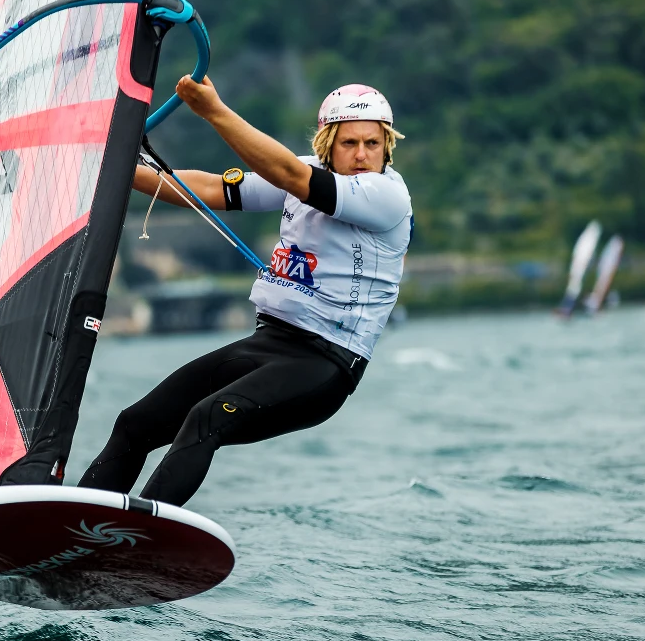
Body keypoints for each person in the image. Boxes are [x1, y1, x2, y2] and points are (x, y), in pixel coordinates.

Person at [78, 78, 412, 506]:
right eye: (350, 143)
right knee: (135, 423)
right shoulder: (304, 172)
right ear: (328, 144)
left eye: (372, 143)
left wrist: (213, 110)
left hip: (325, 364)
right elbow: (210, 189)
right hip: (269, 343)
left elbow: (289, 174)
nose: (362, 155)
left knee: (205, 420)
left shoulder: (386, 195)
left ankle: (136, 535)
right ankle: (69, 527)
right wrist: (109, 168)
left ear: (386, 146)